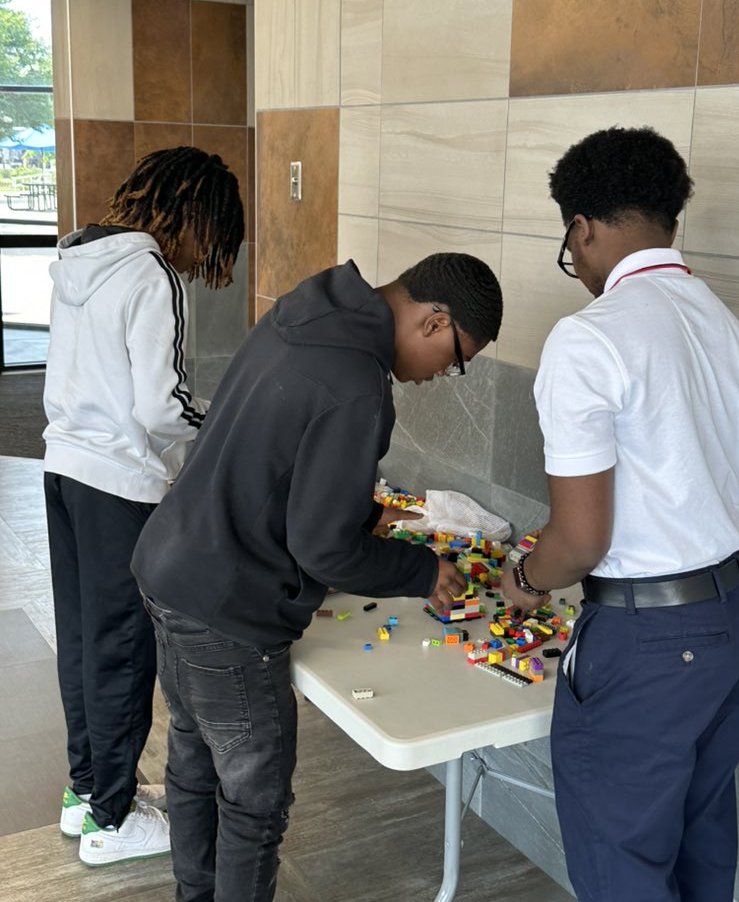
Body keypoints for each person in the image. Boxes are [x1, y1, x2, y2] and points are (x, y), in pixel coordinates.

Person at [130, 252, 503, 902]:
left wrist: (362, 510)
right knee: (254, 802)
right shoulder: (360, 381)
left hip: (172, 564)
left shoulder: (311, 310)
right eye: (455, 360)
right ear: (435, 321)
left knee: (194, 762)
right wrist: (423, 570)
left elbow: (274, 451)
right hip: (226, 606)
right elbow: (323, 550)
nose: (439, 376)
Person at [500, 126, 739, 902]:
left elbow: (581, 542)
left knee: (623, 863)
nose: (576, 264)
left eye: (570, 246)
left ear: (582, 228)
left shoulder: (590, 339)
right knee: (700, 835)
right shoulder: (722, 324)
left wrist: (527, 576)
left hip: (651, 640)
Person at [43, 146, 244, 866]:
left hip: (63, 471)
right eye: (206, 241)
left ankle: (90, 794)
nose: (198, 260)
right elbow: (161, 406)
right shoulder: (151, 273)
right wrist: (223, 421)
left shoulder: (79, 262)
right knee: (124, 651)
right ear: (190, 216)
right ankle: (114, 821)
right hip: (118, 488)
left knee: (84, 642)